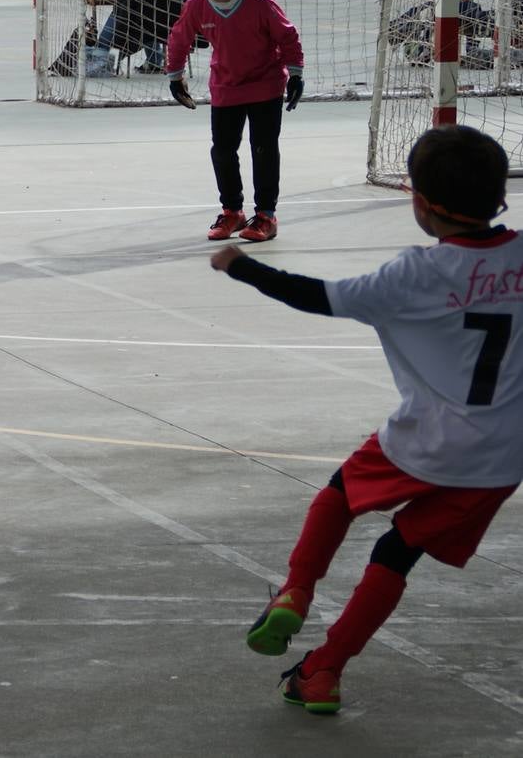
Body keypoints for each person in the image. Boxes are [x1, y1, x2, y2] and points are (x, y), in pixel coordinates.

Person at [211, 124, 522, 714]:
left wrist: (242, 267)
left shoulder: (415, 275)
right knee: (398, 552)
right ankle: (322, 672)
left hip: (426, 440)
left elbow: (318, 296)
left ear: (423, 206)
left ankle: (296, 591)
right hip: (503, 454)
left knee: (339, 494)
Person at [166, 0, 304, 243]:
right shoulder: (197, 5)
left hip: (265, 85)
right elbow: (179, 39)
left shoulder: (259, 2)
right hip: (226, 86)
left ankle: (266, 215)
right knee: (223, 151)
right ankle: (232, 212)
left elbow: (288, 37)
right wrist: (176, 77)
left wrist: (295, 75)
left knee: (264, 149)